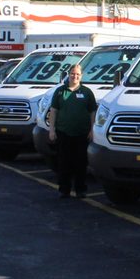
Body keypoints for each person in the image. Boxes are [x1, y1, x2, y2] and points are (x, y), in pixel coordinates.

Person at [48, 64, 97, 198]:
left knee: (81, 163)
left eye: (77, 74)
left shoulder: (87, 92)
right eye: (72, 74)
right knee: (64, 163)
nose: (75, 76)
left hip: (82, 133)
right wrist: (51, 130)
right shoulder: (60, 91)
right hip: (63, 132)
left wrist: (92, 130)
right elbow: (53, 111)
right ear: (68, 75)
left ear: (81, 76)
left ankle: (80, 190)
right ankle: (64, 190)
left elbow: (92, 112)